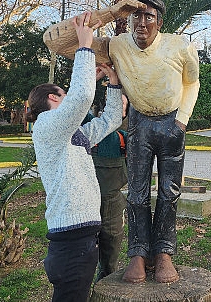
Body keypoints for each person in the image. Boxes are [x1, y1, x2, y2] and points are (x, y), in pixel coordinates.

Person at [89, 0, 200, 284]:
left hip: (171, 124)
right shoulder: (116, 45)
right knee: (137, 192)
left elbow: (192, 81)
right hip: (139, 124)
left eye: (148, 16)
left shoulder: (180, 46)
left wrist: (182, 121)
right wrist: (113, 12)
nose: (141, 23)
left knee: (169, 191)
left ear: (159, 22)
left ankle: (163, 254)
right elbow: (61, 41)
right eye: (135, 15)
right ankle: (137, 254)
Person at [26, 12, 123, 302]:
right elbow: (80, 99)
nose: (68, 96)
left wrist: (113, 84)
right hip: (71, 242)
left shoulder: (73, 134)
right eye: (63, 93)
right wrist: (84, 46)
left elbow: (111, 120)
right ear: (53, 98)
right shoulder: (46, 126)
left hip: (80, 239)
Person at [82, 94, 129, 281]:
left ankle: (104, 286)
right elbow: (77, 103)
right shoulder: (90, 126)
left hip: (112, 204)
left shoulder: (125, 138)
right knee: (84, 252)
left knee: (111, 249)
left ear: (125, 113)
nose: (116, 106)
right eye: (112, 101)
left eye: (121, 104)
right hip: (85, 202)